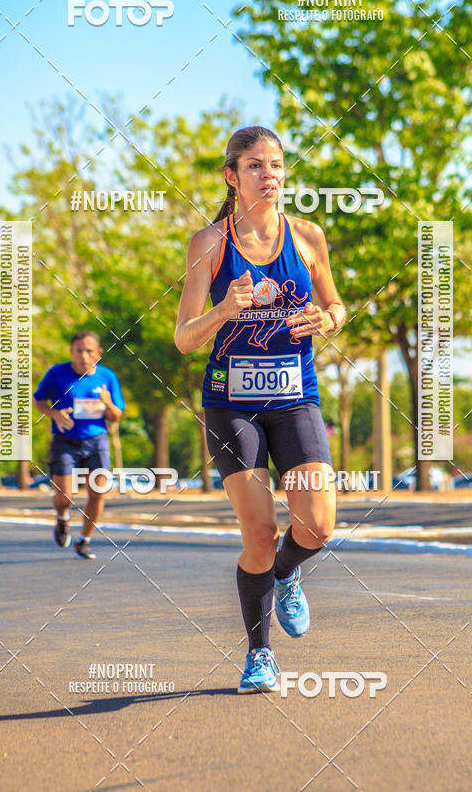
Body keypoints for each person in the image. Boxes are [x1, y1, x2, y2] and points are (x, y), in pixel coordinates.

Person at [174, 126, 346, 693]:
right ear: (232, 175)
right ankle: (260, 656)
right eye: (254, 166)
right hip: (231, 403)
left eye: (275, 165)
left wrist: (329, 320)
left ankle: (288, 572)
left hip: (295, 396)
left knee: (318, 526)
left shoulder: (307, 236)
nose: (268, 175)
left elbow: (335, 303)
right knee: (259, 533)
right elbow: (183, 337)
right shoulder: (209, 243)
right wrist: (224, 308)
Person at [33, 331, 124, 559]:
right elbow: (38, 401)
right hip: (65, 441)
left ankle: (84, 540)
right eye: (79, 351)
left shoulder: (108, 377)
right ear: (71, 352)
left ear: (99, 353)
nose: (84, 356)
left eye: (89, 351)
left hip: (96, 441)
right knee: (65, 497)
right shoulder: (57, 373)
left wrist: (108, 403)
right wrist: (54, 414)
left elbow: (116, 416)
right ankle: (62, 518)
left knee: (98, 494)